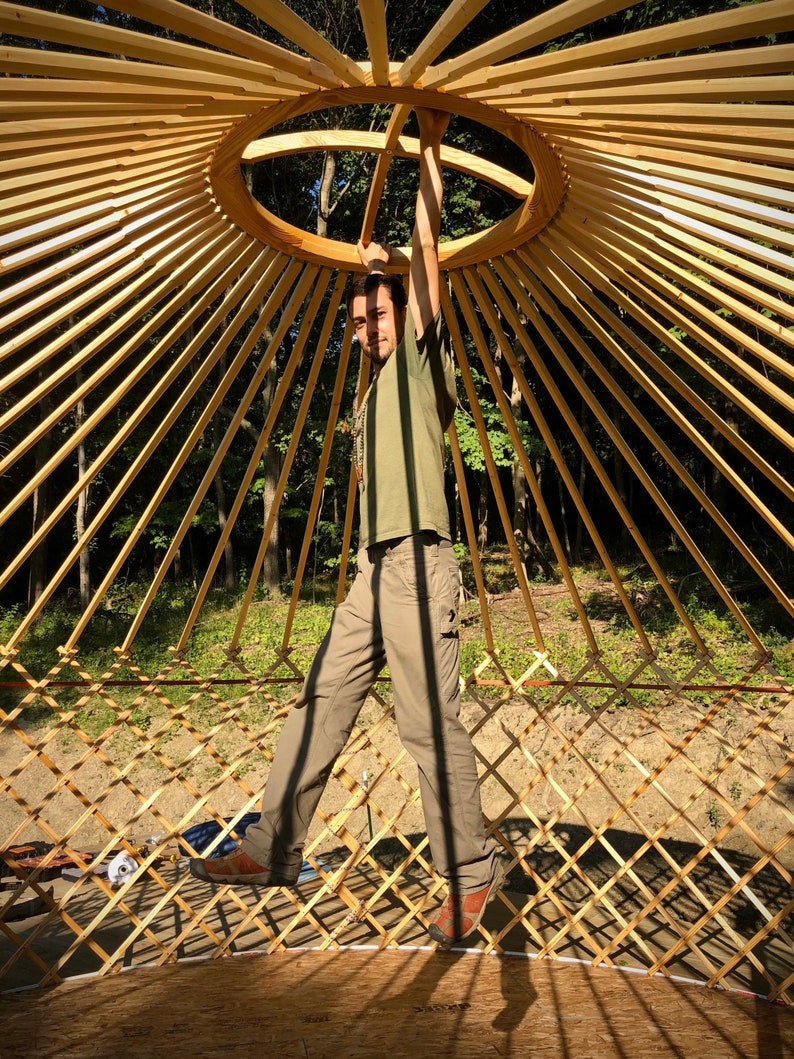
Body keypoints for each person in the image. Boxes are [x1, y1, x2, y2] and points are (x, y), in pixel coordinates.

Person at [190, 108, 504, 946]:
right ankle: (274, 848)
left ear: (402, 312)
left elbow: (429, 261)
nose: (367, 329)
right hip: (372, 568)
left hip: (418, 562)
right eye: (359, 322)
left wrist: (426, 158)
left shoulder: (421, 355)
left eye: (378, 315)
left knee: (426, 720)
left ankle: (472, 878)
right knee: (321, 696)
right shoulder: (368, 395)